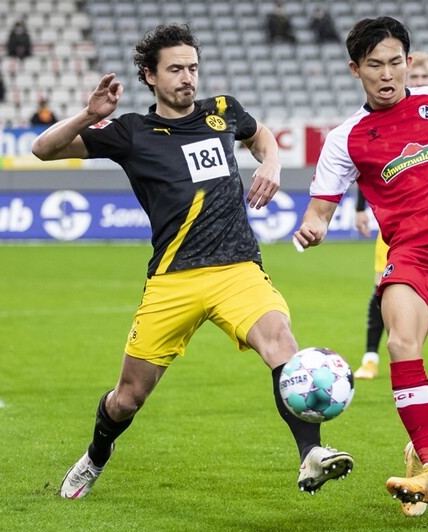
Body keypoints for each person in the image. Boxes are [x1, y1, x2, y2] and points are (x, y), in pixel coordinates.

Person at [31, 23, 353, 501]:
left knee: (281, 341)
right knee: (127, 399)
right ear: (150, 76)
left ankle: (311, 454)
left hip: (236, 268)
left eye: (193, 68)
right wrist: (88, 115)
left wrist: (271, 162)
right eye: (176, 69)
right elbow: (43, 149)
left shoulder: (222, 110)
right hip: (173, 280)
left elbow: (261, 135)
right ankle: (96, 455)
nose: (188, 78)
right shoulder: (131, 132)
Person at [294, 17, 428, 516]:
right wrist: (313, 226)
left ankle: (422, 451)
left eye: (396, 62)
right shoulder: (346, 138)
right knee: (400, 341)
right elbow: (320, 209)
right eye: (375, 65)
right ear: (355, 69)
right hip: (411, 253)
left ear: (409, 62)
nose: (387, 74)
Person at [352, 50, 428, 381]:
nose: (422, 83)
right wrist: (360, 208)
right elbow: (371, 168)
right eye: (418, 78)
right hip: (398, 230)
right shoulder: (389, 118)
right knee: (381, 289)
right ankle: (371, 357)